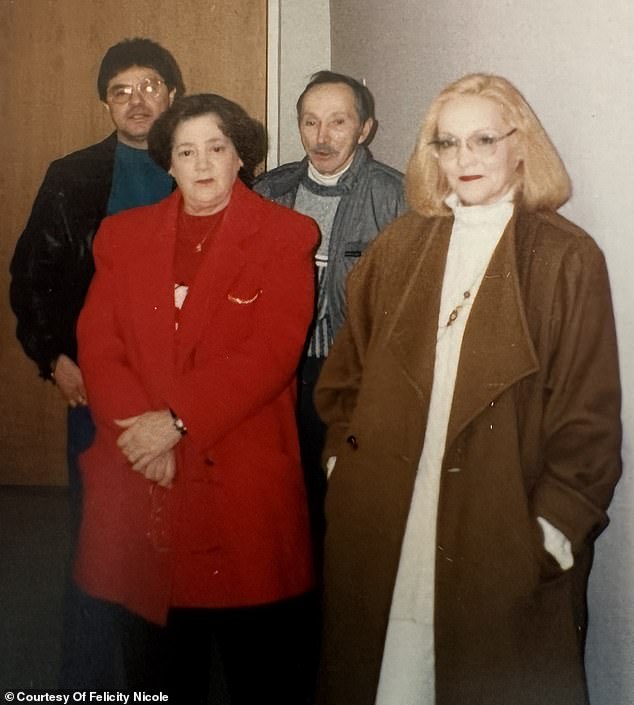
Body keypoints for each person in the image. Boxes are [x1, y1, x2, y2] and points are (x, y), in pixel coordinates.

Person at [314, 73, 621, 705]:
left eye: (483, 139)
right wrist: (343, 466)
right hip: (388, 516)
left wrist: (550, 533)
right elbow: (344, 378)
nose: (465, 159)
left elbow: (588, 422)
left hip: (496, 529)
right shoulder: (398, 246)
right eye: (447, 143)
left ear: (520, 146)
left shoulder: (566, 258)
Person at [74, 93, 319, 704]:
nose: (203, 164)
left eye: (218, 148)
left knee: (257, 669)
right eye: (187, 152)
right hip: (143, 475)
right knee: (156, 670)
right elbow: (100, 347)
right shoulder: (121, 236)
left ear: (242, 157)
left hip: (238, 471)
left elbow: (270, 354)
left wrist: (177, 421)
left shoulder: (287, 235)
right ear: (169, 164)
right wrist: (141, 434)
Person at [9, 37, 184, 688]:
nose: (137, 101)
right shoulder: (73, 176)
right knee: (99, 545)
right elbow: (33, 277)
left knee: (175, 541)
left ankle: (163, 678)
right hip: (101, 387)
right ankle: (87, 681)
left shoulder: (205, 164)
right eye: (121, 90)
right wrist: (53, 355)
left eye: (150, 86)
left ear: (172, 95)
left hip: (183, 395)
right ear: (106, 104)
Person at [254, 70, 407, 557]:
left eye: (338, 122)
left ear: (365, 129)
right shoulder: (268, 192)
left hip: (349, 378)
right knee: (279, 505)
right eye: (310, 122)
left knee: (339, 511)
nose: (322, 138)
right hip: (276, 375)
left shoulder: (396, 198)